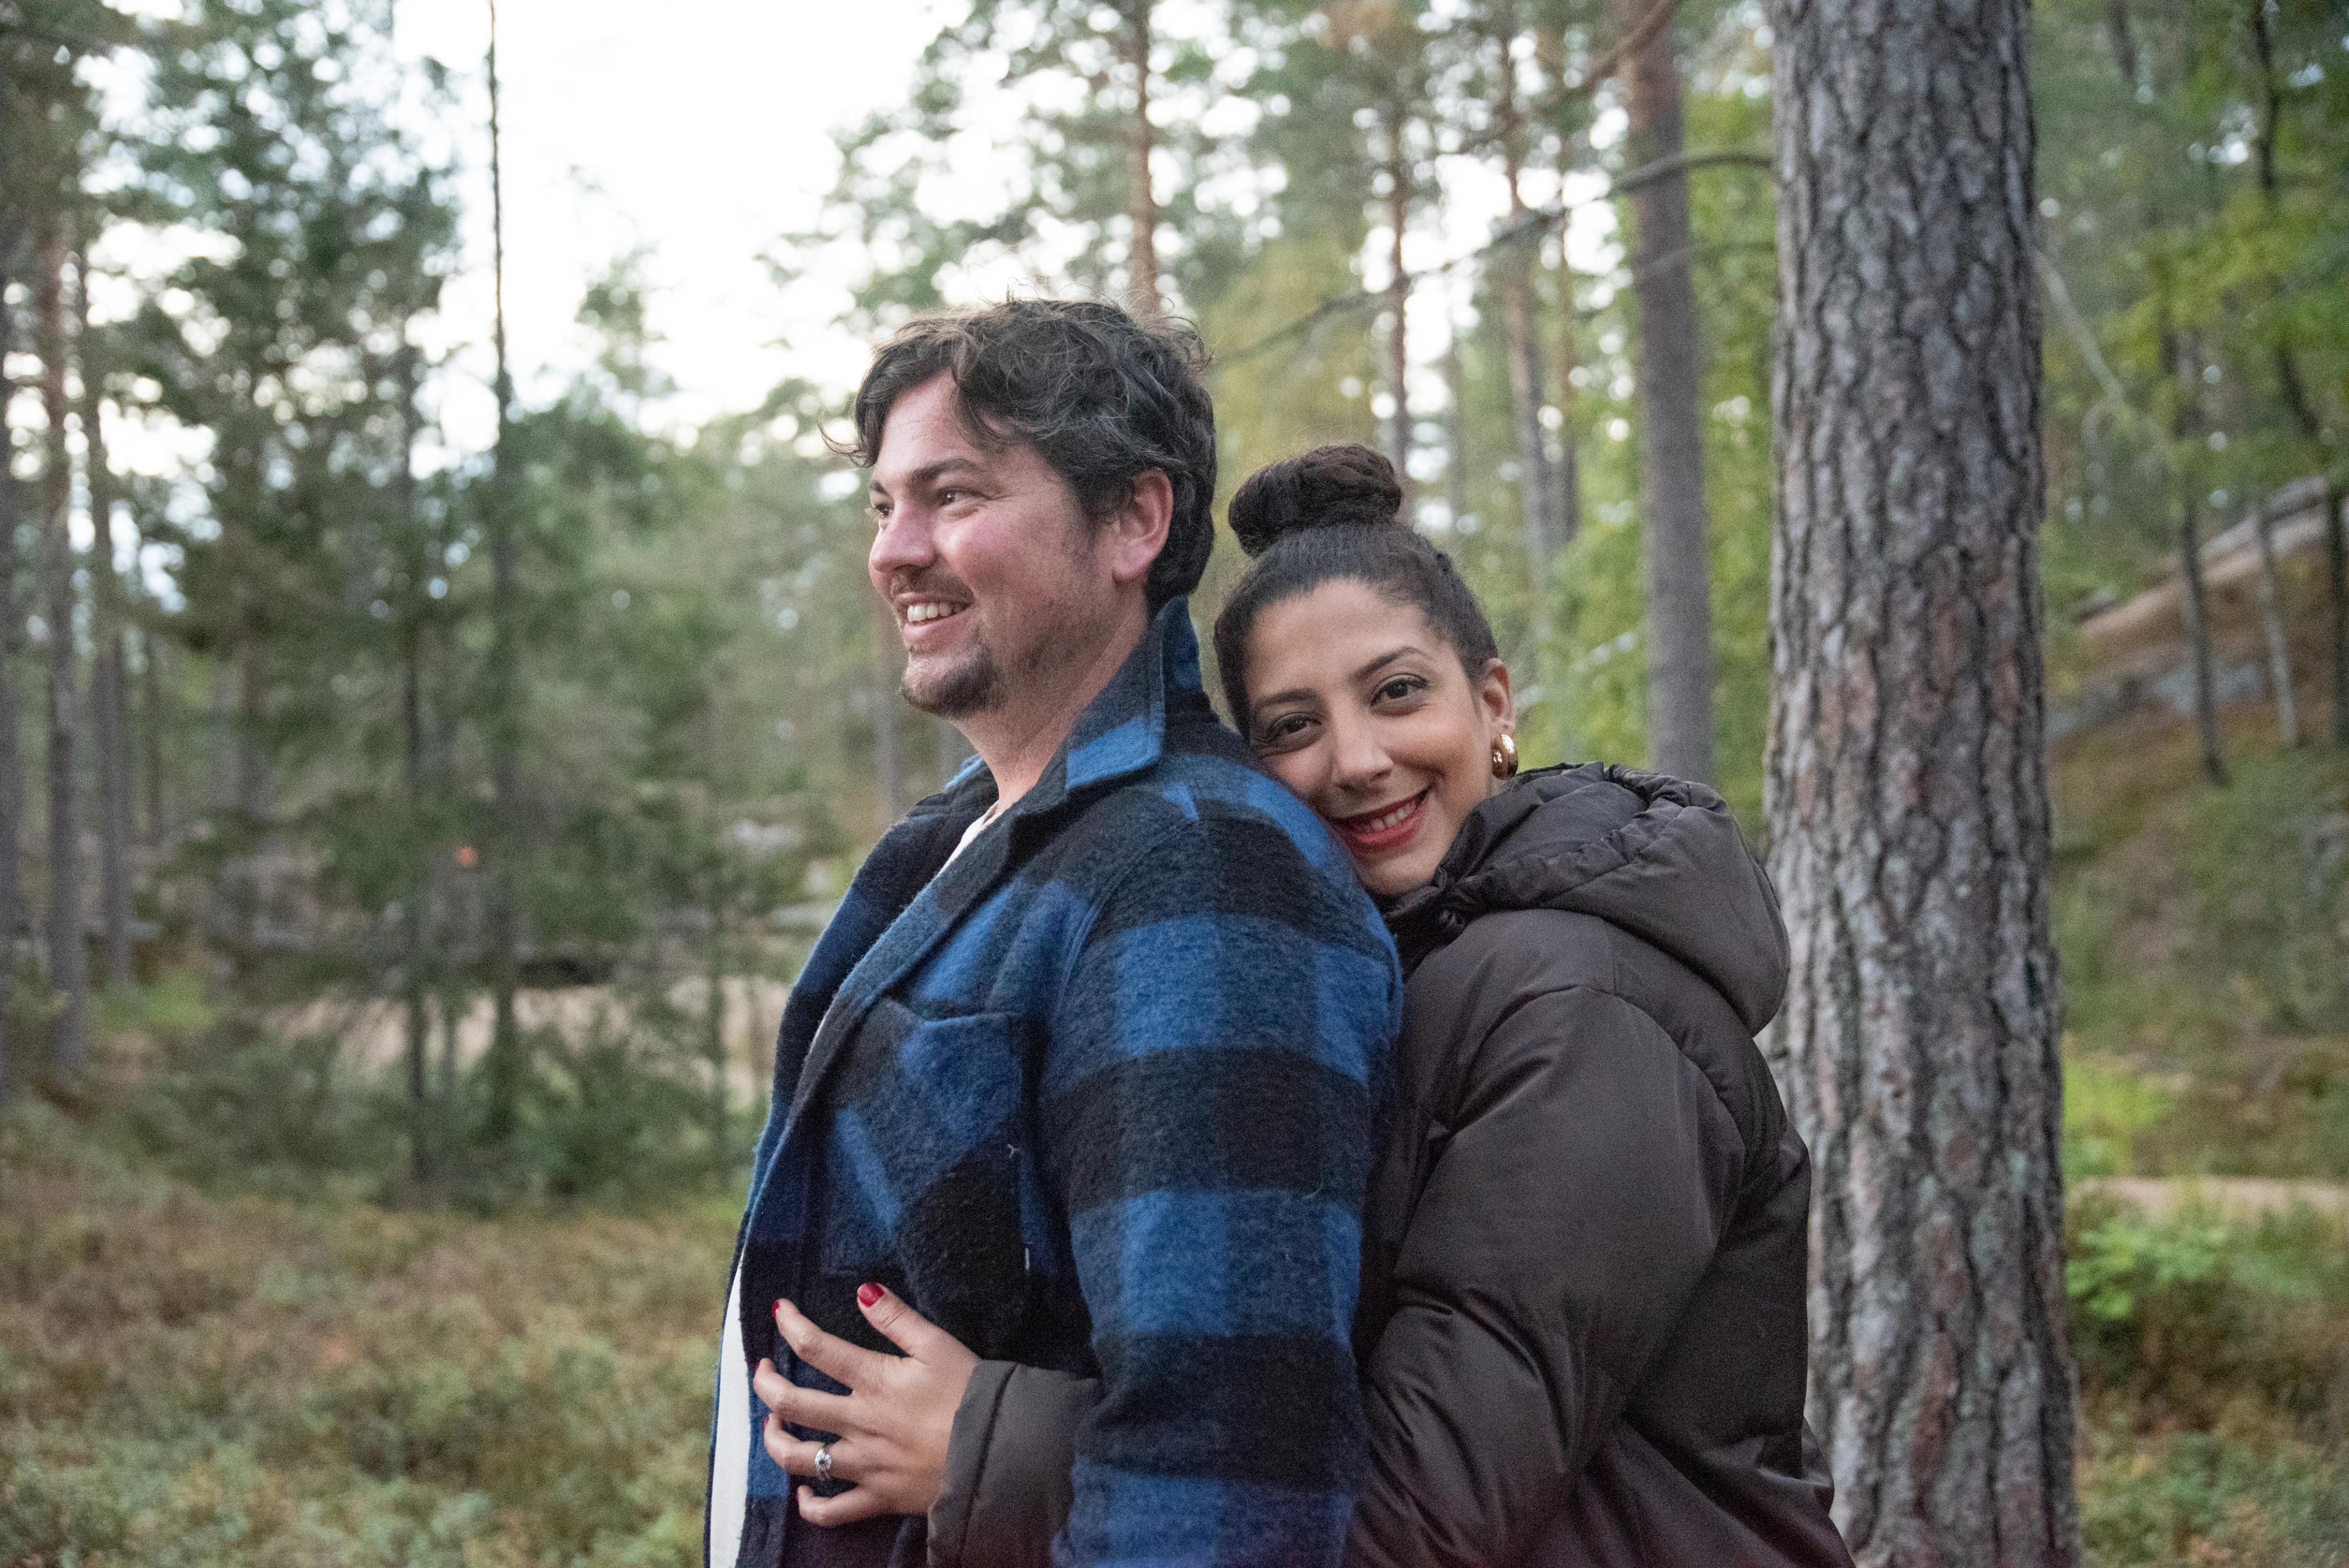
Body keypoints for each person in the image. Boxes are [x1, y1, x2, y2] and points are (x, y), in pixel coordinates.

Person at [759, 445, 1855, 1568]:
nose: (1357, 761)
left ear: (1493, 702)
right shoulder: (1400, 958)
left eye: (1396, 694)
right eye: (1291, 727)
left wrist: (986, 1441)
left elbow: (1415, 1516)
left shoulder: (1583, 1005)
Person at [706, 316, 1402, 1568]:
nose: (896, 551)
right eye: (882, 506)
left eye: (953, 496)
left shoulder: (1201, 868)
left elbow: (1230, 1480)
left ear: (1135, 521)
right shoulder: (969, 837)